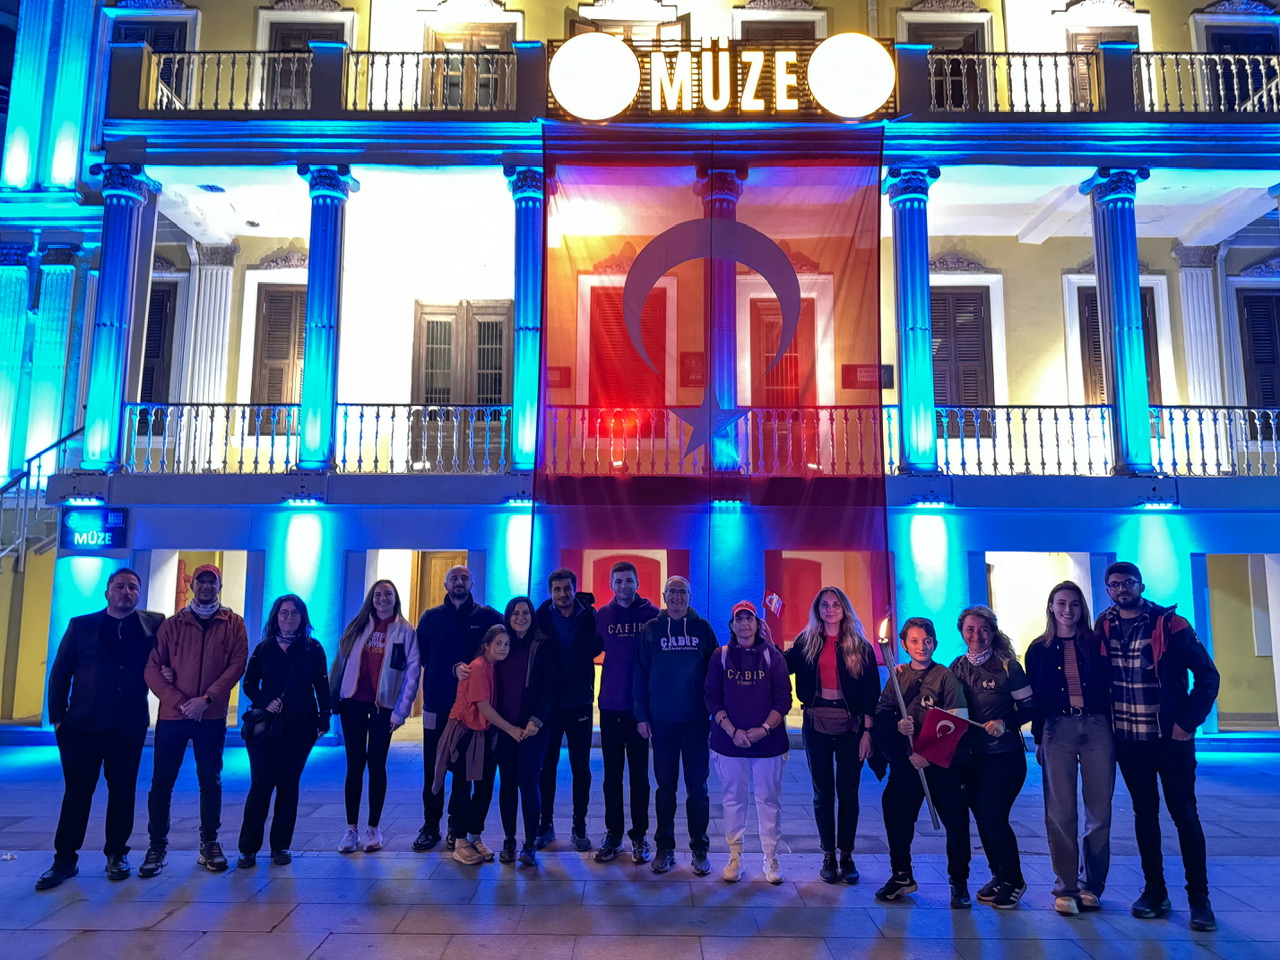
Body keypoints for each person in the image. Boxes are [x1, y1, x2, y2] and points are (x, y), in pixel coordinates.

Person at [1096, 561, 1221, 932]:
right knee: (1144, 815)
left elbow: (1208, 675)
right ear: (1108, 590)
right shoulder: (1103, 625)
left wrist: (1187, 722)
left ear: (1141, 585)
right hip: (1128, 740)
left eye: (1128, 582)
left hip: (1170, 741)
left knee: (1184, 815)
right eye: (1115, 584)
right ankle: (1155, 891)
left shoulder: (1170, 624)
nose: (1122, 589)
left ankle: (1199, 899)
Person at [37, 568, 164, 890]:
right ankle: (64, 860)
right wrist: (59, 720)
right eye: (119, 586)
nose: (126, 592)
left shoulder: (154, 625)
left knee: (123, 792)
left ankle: (116, 854)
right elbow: (60, 673)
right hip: (82, 726)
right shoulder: (81, 625)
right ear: (107, 592)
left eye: (132, 587)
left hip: (128, 726)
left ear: (139, 594)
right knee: (77, 795)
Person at [141, 563, 248, 876]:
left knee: (210, 780)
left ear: (219, 586)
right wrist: (180, 702)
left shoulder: (233, 624)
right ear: (192, 586)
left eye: (212, 582)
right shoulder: (172, 625)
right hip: (173, 716)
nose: (206, 587)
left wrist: (207, 700)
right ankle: (156, 846)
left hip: (211, 716)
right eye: (201, 582)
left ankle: (209, 843)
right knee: (162, 782)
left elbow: (237, 664)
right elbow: (152, 668)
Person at [1025, 580, 1115, 917]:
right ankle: (1066, 887)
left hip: (1097, 727)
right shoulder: (1038, 649)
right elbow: (1035, 696)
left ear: (1082, 608)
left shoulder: (1096, 643)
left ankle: (1092, 885)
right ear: (1051, 607)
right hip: (1057, 730)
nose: (1068, 610)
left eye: (1074, 604)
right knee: (1060, 812)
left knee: (1099, 811)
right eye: (1061, 603)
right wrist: (1038, 737)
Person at [872, 617, 972, 907]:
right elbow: (883, 712)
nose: (921, 646)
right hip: (907, 762)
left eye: (927, 641)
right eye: (914, 641)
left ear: (935, 643)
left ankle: (959, 882)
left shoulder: (945, 677)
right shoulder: (898, 676)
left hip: (941, 764)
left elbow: (957, 721)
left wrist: (927, 756)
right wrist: (896, 726)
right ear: (904, 645)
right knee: (896, 813)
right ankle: (901, 874)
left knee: (955, 821)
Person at [784, 586, 880, 886]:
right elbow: (782, 665)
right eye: (824, 605)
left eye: (836, 604)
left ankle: (847, 854)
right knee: (822, 792)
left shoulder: (860, 646)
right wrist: (764, 640)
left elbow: (871, 692)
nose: (830, 609)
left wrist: (868, 732)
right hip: (816, 724)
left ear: (844, 609)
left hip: (852, 726)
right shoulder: (806, 642)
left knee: (848, 792)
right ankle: (828, 854)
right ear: (818, 610)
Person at [950, 605, 1035, 910]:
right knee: (982, 818)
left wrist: (1005, 722)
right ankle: (998, 875)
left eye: (983, 629)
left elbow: (1030, 708)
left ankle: (1014, 879)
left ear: (993, 632)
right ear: (962, 632)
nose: (977, 635)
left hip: (1004, 756)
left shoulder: (1009, 667)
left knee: (992, 816)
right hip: (973, 758)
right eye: (970, 629)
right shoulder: (957, 667)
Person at [236, 595, 331, 868]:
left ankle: (280, 846)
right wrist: (266, 701)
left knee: (289, 785)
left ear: (303, 617)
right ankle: (248, 848)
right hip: (265, 728)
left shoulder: (313, 648)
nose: (289, 617)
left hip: (300, 727)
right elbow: (249, 684)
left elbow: (322, 686)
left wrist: (323, 721)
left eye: (294, 612)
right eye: (283, 612)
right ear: (275, 617)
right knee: (260, 785)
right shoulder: (264, 648)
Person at [414, 565, 502, 853]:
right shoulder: (430, 619)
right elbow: (422, 657)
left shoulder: (488, 617)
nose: (459, 582)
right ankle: (430, 826)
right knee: (433, 768)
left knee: (463, 772)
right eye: (454, 578)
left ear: (472, 583)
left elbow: (502, 647)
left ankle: (456, 827)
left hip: (472, 710)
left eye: (464, 577)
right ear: (446, 584)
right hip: (437, 705)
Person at [634, 575, 718, 876]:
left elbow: (715, 674)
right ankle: (664, 848)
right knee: (665, 789)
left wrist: (717, 714)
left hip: (696, 722)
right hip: (662, 723)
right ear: (664, 596)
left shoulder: (703, 629)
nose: (678, 597)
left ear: (690, 597)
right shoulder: (652, 629)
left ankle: (700, 849)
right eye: (672, 592)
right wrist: (642, 716)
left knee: (698, 790)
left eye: (683, 592)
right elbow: (640, 674)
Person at [331, 579, 421, 854]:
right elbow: (339, 664)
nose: (382, 599)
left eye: (388, 594)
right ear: (371, 598)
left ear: (396, 598)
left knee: (377, 764)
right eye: (378, 594)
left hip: (384, 708)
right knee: (354, 765)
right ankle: (351, 829)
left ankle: (373, 828)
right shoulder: (357, 627)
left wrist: (401, 711)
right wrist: (333, 698)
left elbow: (412, 674)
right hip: (353, 704)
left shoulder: (406, 631)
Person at [705, 601, 792, 884]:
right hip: (729, 742)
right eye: (739, 619)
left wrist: (764, 729)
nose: (744, 624)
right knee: (733, 799)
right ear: (732, 625)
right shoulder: (720, 656)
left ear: (757, 623)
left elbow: (784, 699)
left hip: (768, 743)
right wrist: (733, 731)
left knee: (768, 799)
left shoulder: (773, 656)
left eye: (749, 619)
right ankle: (735, 856)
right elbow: (711, 697)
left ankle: (771, 856)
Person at [433, 625, 527, 865]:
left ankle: (475, 836)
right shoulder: (476, 667)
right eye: (498, 643)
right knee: (463, 787)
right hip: (466, 733)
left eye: (507, 644)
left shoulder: (492, 667)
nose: (503, 648)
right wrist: (511, 729)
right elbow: (483, 707)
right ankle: (460, 840)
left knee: (484, 787)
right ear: (486, 645)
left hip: (483, 734)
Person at [593, 560, 660, 864]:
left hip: (639, 710)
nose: (624, 586)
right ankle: (614, 835)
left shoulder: (652, 614)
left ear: (637, 584)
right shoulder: (603, 615)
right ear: (611, 585)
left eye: (629, 580)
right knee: (611, 777)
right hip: (610, 706)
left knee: (639, 778)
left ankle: (640, 836)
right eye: (618, 581)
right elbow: (589, 648)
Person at [534, 568, 600, 851]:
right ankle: (545, 824)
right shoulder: (540, 616)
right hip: (549, 705)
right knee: (546, 766)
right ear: (551, 592)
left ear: (575, 589)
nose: (563, 594)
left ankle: (579, 824)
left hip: (579, 701)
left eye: (567, 588)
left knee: (581, 767)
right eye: (557, 589)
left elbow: (597, 646)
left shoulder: (589, 615)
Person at [493, 596, 554, 867]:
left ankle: (530, 844)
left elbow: (550, 686)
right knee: (507, 784)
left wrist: (535, 721)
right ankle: (509, 840)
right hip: (505, 727)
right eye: (515, 613)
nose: (521, 617)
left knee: (528, 783)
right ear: (508, 616)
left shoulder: (543, 644)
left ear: (532, 615)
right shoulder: (501, 643)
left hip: (533, 728)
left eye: (526, 612)